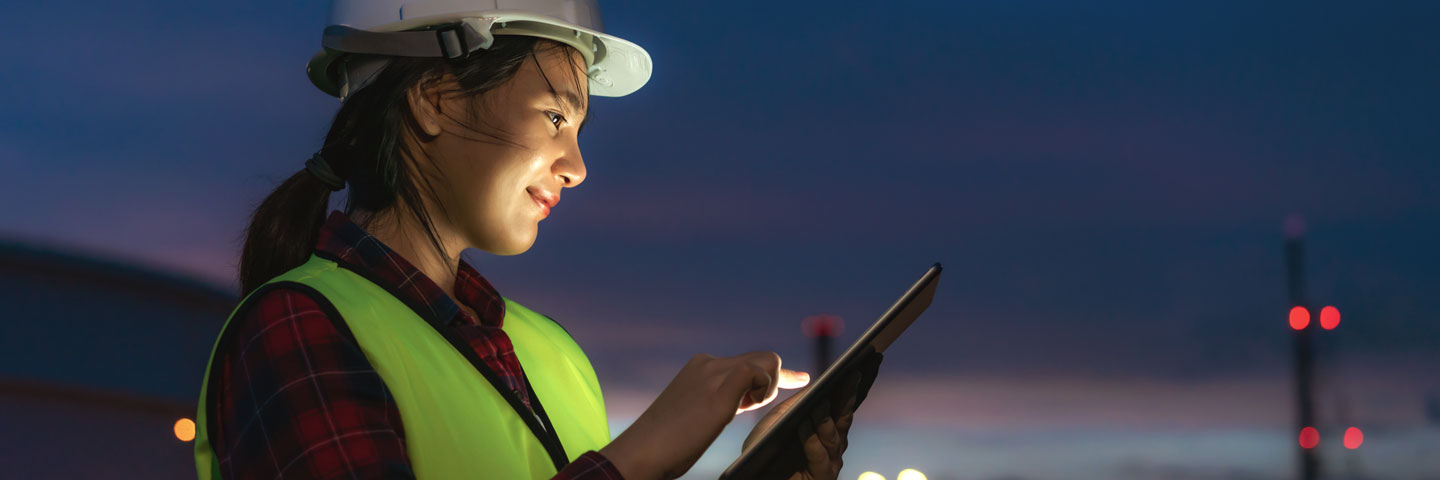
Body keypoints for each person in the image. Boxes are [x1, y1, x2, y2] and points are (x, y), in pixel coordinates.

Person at [192, 1, 860, 479]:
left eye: (578, 129)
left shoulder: (553, 355)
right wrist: (642, 452)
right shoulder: (297, 330)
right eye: (553, 116)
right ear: (436, 99)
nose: (577, 166)